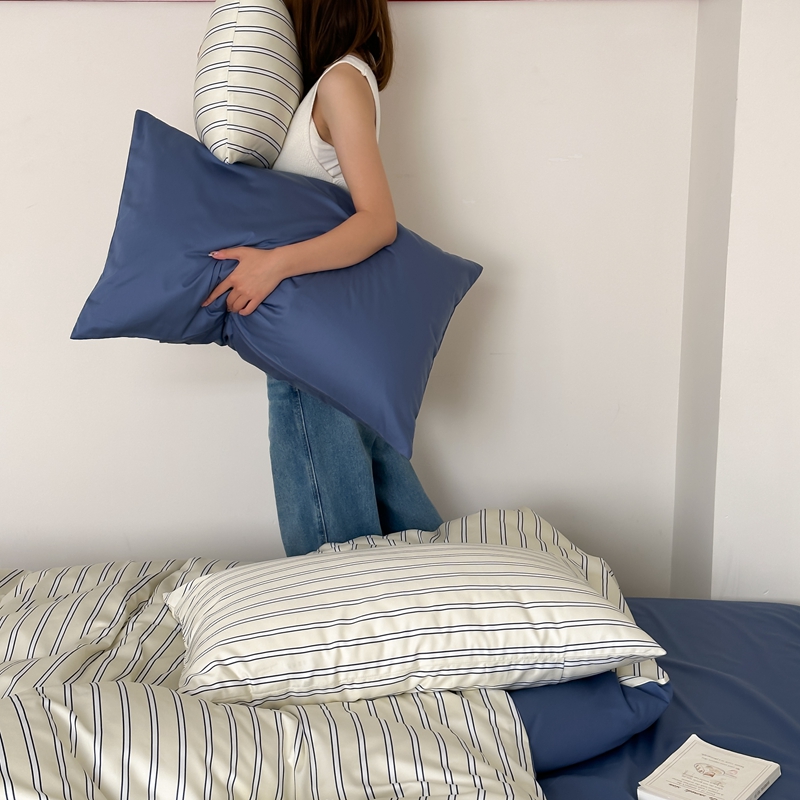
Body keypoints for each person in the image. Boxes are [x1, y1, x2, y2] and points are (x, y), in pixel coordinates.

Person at [203, 0, 443, 556]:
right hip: (322, 329)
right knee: (392, 507)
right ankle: (453, 596)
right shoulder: (332, 82)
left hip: (315, 335)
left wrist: (272, 264)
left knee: (326, 538)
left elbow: (377, 221)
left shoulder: (341, 81)